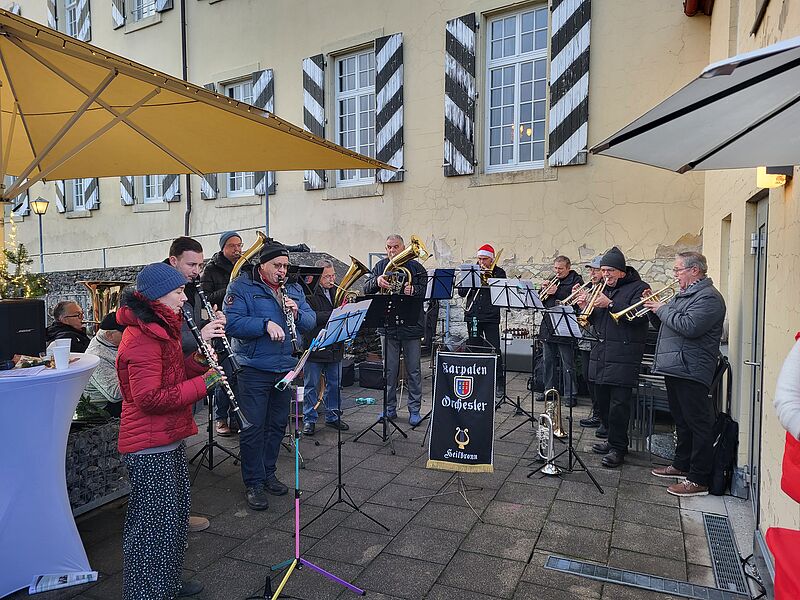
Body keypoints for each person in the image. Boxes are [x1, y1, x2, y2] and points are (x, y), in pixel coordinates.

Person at [116, 263, 224, 599]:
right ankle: (145, 593)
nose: (183, 298)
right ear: (158, 295)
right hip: (149, 447)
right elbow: (149, 398)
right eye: (178, 292)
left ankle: (167, 583)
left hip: (168, 438)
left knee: (173, 520)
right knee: (151, 528)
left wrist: (200, 364)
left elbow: (172, 376)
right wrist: (204, 384)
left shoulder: (162, 329)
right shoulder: (141, 337)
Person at [224, 241, 315, 511]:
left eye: (285, 266)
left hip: (284, 366)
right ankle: (253, 482)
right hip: (254, 367)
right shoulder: (242, 287)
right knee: (253, 427)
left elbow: (310, 323)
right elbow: (232, 323)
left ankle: (268, 473)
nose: (282, 271)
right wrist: (264, 324)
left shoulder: (294, 289)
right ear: (262, 265)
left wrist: (297, 313)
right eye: (277, 265)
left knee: (277, 425)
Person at [645, 251, 726, 497]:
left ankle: (698, 478)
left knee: (699, 423)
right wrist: (653, 309)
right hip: (677, 366)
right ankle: (681, 465)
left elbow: (689, 327)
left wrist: (662, 309)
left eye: (678, 270)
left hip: (692, 368)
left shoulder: (709, 298)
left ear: (695, 270)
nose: (675, 274)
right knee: (681, 419)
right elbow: (667, 325)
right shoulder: (685, 295)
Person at [577, 246, 650, 468]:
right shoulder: (605, 288)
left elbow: (637, 318)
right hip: (602, 353)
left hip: (624, 355)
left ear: (621, 271)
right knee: (603, 401)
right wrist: (585, 308)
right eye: (603, 270)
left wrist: (609, 304)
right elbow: (599, 321)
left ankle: (619, 448)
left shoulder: (640, 288)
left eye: (609, 270)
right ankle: (611, 440)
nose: (605, 274)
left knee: (619, 405)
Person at [363, 234, 428, 426]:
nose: (392, 251)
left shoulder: (416, 267)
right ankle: (389, 409)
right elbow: (366, 288)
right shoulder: (381, 267)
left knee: (414, 371)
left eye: (396, 247)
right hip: (388, 326)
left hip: (411, 326)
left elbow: (427, 290)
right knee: (388, 371)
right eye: (388, 247)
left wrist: (414, 290)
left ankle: (414, 410)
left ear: (403, 247)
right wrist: (377, 282)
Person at [200, 231, 243, 436]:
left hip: (237, 325)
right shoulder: (211, 270)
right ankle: (220, 418)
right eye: (233, 246)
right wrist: (231, 288)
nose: (237, 250)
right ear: (223, 248)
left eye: (240, 245)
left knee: (238, 376)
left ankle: (237, 417)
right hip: (219, 328)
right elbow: (206, 298)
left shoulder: (244, 266)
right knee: (223, 375)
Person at [301, 260, 348, 435]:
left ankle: (333, 416)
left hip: (335, 345)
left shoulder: (338, 290)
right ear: (318, 277)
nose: (332, 279)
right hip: (315, 345)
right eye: (327, 276)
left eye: (333, 275)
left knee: (335, 384)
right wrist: (335, 314)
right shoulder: (308, 293)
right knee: (311, 385)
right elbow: (311, 317)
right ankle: (309, 419)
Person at [457, 243, 507, 393]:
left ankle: (499, 382)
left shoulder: (499, 272)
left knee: (494, 348)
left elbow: (501, 293)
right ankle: (475, 379)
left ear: (491, 259)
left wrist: (489, 278)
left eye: (485, 259)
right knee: (473, 347)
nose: (481, 262)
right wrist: (474, 280)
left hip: (491, 316)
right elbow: (461, 291)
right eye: (479, 259)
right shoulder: (472, 271)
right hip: (473, 315)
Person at [539, 256, 583, 407]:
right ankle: (549, 391)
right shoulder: (553, 279)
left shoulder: (576, 281)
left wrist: (556, 292)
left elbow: (574, 302)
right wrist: (543, 289)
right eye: (555, 268)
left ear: (568, 268)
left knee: (568, 363)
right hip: (548, 325)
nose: (557, 272)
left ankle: (570, 394)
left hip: (564, 327)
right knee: (548, 361)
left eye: (560, 269)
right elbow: (541, 300)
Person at [84, 311, 126, 418]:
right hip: (103, 411)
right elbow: (115, 394)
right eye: (124, 332)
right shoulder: (97, 356)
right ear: (109, 335)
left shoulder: (112, 343)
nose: (128, 334)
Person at [578, 256, 603, 429]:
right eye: (590, 270)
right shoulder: (590, 288)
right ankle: (596, 412)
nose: (592, 273)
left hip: (598, 339)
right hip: (586, 338)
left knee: (597, 379)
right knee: (587, 377)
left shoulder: (604, 290)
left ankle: (602, 416)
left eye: (595, 270)